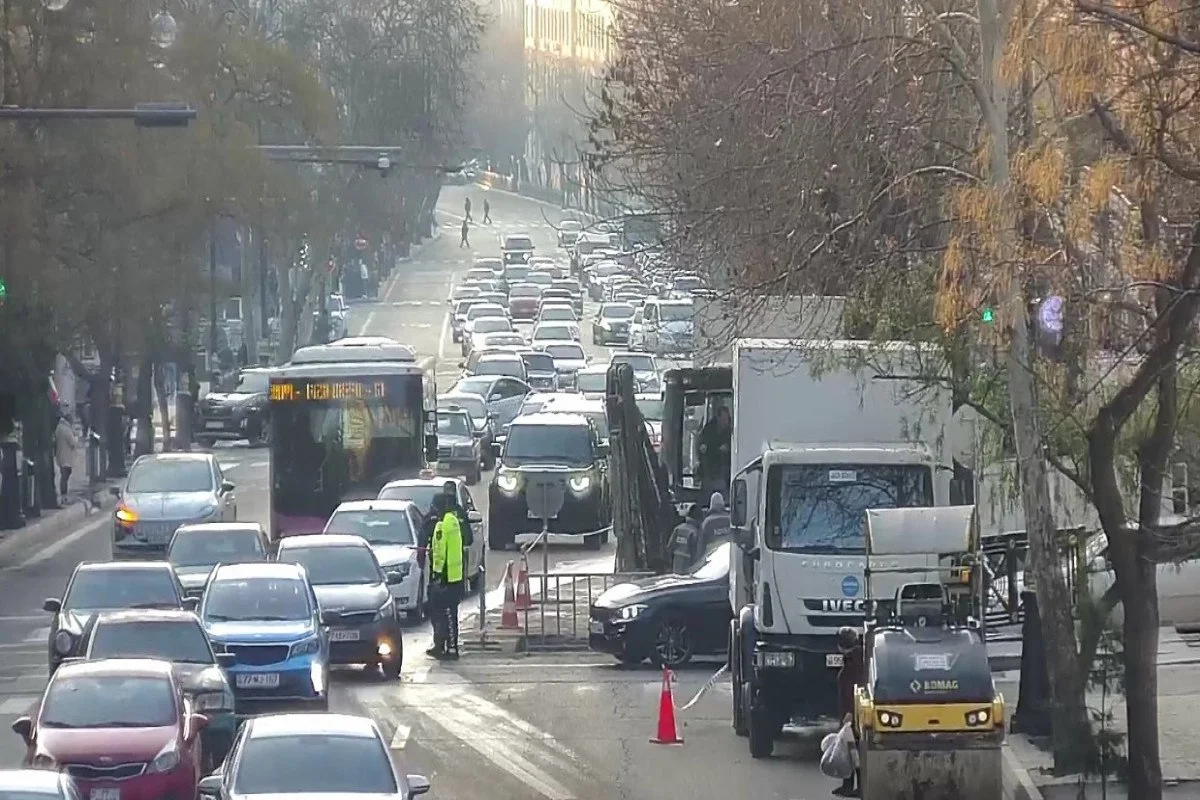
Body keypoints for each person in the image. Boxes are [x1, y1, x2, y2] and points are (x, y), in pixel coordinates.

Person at [426, 496, 466, 660]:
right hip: (455, 576)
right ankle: (449, 646)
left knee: (443, 615)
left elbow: (441, 553)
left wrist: (436, 575)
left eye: (435, 508)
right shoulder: (454, 520)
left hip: (445, 578)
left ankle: (446, 648)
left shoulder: (442, 525)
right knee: (451, 615)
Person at [834, 626, 864, 797]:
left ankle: (857, 786)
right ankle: (848, 784)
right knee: (849, 748)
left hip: (851, 712)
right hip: (849, 711)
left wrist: (850, 713)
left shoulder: (855, 662)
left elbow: (855, 688)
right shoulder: (854, 659)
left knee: (854, 749)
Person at [698, 406, 732, 499]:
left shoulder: (730, 431)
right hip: (709, 468)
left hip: (724, 470)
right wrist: (702, 447)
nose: (726, 422)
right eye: (724, 419)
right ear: (718, 418)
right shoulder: (708, 430)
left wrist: (728, 448)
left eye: (727, 419)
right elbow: (701, 443)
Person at [669, 504, 703, 573]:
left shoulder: (678, 529)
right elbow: (697, 552)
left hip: (676, 564)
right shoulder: (695, 532)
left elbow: (670, 546)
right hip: (689, 566)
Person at [54, 412, 78, 506]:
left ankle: (64, 496)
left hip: (61, 455)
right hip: (66, 456)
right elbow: (73, 442)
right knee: (65, 476)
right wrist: (76, 437)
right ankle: (64, 496)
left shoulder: (60, 428)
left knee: (65, 475)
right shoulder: (66, 429)